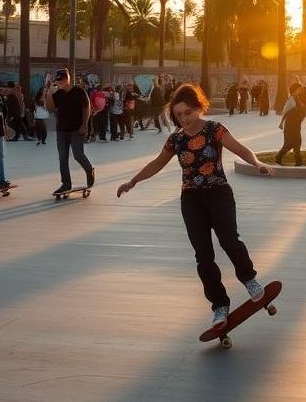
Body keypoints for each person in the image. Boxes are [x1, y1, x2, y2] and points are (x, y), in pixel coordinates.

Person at [117, 83, 273, 330]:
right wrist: (132, 181)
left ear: (199, 107)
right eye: (178, 115)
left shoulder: (215, 130)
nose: (184, 119)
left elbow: (240, 149)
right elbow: (157, 164)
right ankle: (220, 306)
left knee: (230, 241)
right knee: (203, 256)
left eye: (188, 112)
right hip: (191, 201)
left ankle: (249, 279)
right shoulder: (176, 140)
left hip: (219, 194)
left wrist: (256, 163)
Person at [46, 68, 94, 194]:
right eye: (57, 80)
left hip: (76, 129)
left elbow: (86, 107)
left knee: (78, 155)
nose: (59, 82)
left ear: (67, 78)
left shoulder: (78, 91)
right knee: (62, 158)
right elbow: (50, 109)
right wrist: (49, 93)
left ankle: (89, 170)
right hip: (62, 130)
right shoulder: (57, 94)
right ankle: (66, 183)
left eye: (61, 79)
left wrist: (84, 124)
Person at [277, 85, 306, 166]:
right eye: (299, 89)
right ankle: (279, 157)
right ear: (295, 90)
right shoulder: (291, 100)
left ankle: (298, 160)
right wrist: (281, 123)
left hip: (296, 124)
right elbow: (286, 112)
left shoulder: (298, 98)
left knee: (297, 142)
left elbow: (304, 108)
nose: (300, 90)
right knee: (292, 143)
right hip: (291, 124)